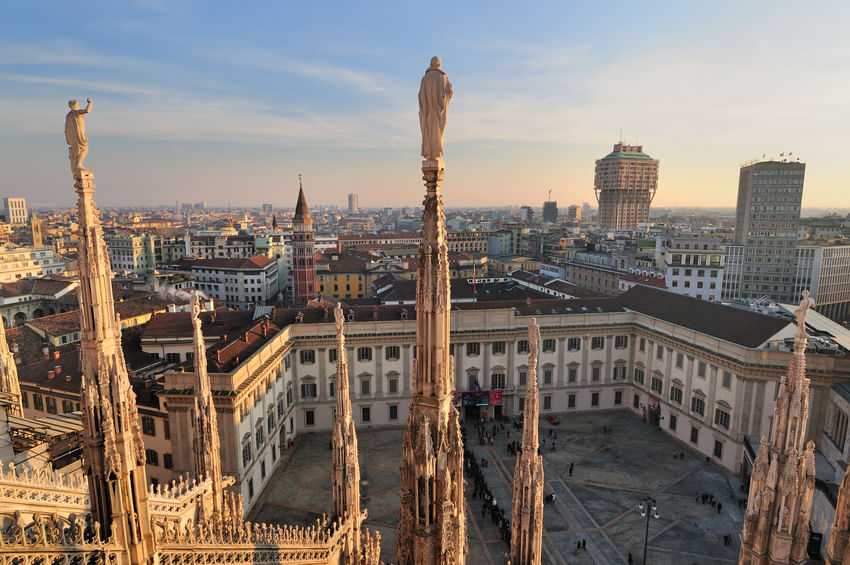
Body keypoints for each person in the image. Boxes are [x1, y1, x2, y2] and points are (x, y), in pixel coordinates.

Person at [418, 57, 453, 160]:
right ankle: (436, 150)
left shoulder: (424, 78)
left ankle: (428, 151)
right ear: (438, 64)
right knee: (437, 130)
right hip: (438, 111)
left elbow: (420, 96)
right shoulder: (443, 77)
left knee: (428, 131)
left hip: (426, 112)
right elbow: (448, 93)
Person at [65, 98, 93, 176]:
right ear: (76, 105)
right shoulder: (76, 112)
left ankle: (77, 165)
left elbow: (66, 128)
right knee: (84, 148)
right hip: (79, 135)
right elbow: (87, 110)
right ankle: (78, 165)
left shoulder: (69, 115)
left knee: (78, 150)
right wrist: (90, 103)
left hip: (73, 136)